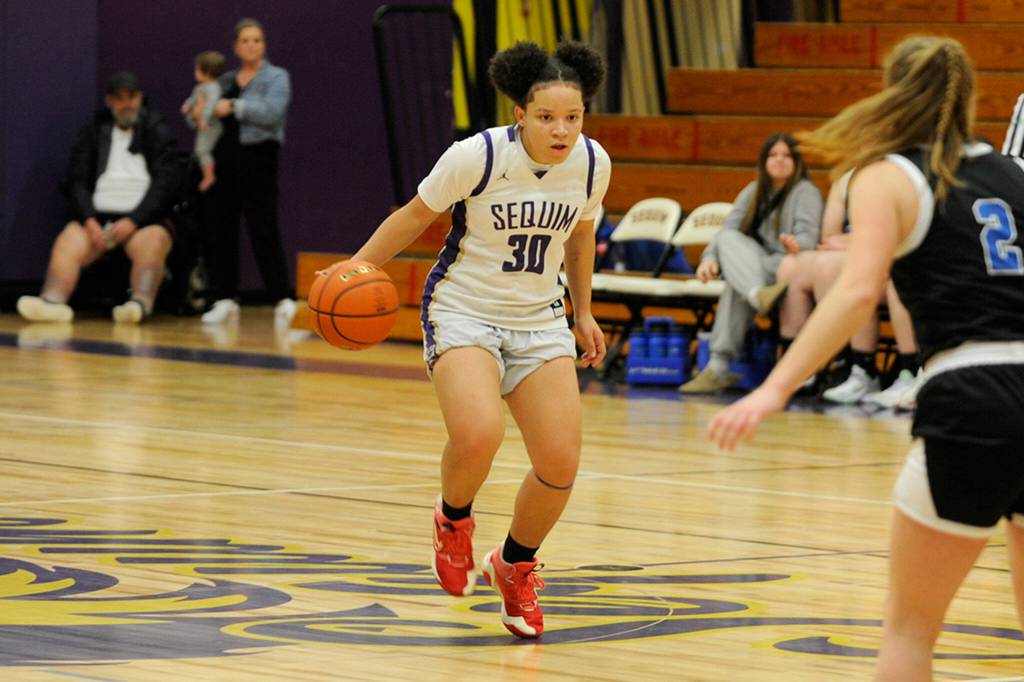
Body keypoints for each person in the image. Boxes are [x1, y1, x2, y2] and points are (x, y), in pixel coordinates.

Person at [708, 36, 1024, 681]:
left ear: (892, 88)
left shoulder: (886, 175)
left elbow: (857, 290)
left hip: (973, 393)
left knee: (908, 636)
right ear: (969, 96)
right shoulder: (1016, 174)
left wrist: (772, 389)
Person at [331, 41, 609, 639]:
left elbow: (581, 237)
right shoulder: (476, 156)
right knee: (479, 432)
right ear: (520, 114)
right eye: (547, 117)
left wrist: (582, 311)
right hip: (464, 310)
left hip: (538, 318)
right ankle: (454, 518)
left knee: (560, 463)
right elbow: (412, 216)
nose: (561, 130)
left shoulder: (591, 162)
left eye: (573, 117)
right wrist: (354, 269)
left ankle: (513, 566)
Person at [16, 71, 179, 325]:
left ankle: (139, 304)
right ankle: (52, 301)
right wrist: (89, 220)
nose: (126, 104)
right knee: (68, 241)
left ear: (140, 99)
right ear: (110, 101)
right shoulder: (93, 132)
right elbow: (77, 181)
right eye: (120, 98)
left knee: (153, 244)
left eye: (131, 97)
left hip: (143, 220)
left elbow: (165, 184)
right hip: (99, 218)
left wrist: (135, 220)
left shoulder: (157, 131)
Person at [679, 132, 824, 394]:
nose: (779, 160)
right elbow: (728, 231)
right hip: (755, 271)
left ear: (797, 161)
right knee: (729, 239)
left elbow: (809, 239)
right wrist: (709, 259)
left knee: (736, 284)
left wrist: (796, 244)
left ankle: (718, 367)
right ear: (764, 161)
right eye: (773, 155)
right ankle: (758, 296)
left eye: (786, 155)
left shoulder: (807, 192)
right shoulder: (753, 190)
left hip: (786, 265)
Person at [780, 172, 922, 407]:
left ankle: (909, 371)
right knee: (826, 266)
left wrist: (863, 241)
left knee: (889, 276)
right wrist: (864, 242)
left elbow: (898, 235)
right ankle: (856, 367)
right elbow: (829, 238)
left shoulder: (897, 172)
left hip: (898, 259)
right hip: (865, 258)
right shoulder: (845, 179)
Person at [200, 17, 295, 328]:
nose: (252, 45)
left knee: (263, 225)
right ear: (236, 46)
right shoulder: (225, 80)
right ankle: (224, 297)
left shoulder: (276, 77)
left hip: (259, 157)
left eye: (257, 40)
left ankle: (281, 297)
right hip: (225, 156)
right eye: (246, 40)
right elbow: (207, 109)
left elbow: (271, 113)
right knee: (221, 227)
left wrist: (236, 108)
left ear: (263, 45)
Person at [181, 50, 226, 193]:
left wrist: (204, 119)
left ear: (206, 72)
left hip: (211, 126)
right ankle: (205, 174)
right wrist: (187, 106)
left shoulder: (213, 88)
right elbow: (193, 99)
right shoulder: (200, 87)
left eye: (197, 69)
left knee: (202, 150)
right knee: (199, 151)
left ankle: (209, 176)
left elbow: (210, 105)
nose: (195, 71)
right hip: (203, 125)